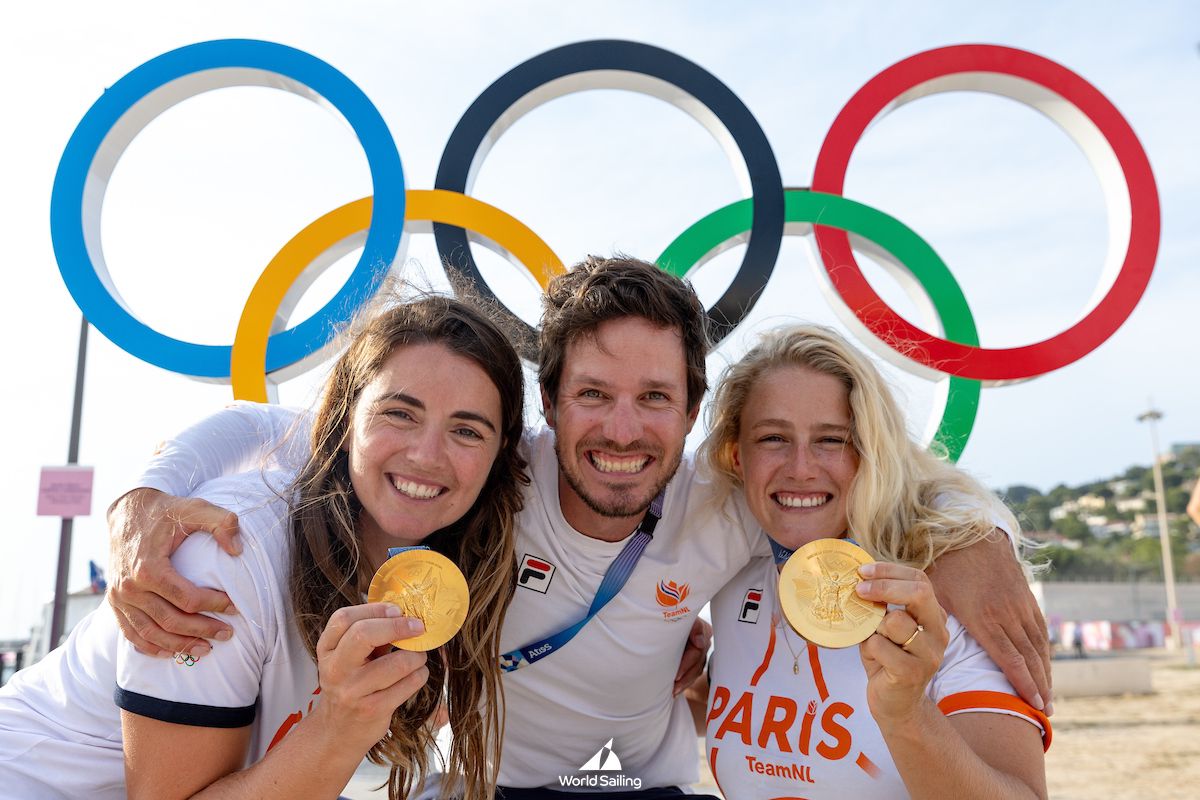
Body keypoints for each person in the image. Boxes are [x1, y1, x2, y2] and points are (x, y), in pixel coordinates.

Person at [101, 256, 1051, 795]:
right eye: (593, 395)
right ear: (548, 405)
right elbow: (279, 431)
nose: (625, 431)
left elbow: (878, 479)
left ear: (691, 415)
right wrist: (144, 493)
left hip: (656, 784)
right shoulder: (483, 472)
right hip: (475, 782)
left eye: (654, 398)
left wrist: (979, 535)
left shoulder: (726, 497)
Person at [0, 295, 528, 799]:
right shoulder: (225, 554)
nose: (427, 454)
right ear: (346, 420)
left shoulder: (461, 558)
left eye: (467, 431)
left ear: (500, 452)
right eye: (400, 414)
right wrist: (339, 727)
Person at [695, 324, 1049, 798]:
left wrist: (907, 716)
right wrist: (674, 667)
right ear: (736, 456)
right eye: (773, 438)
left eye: (831, 440)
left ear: (868, 454)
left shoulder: (942, 603)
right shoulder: (732, 571)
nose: (801, 468)